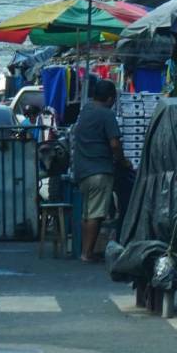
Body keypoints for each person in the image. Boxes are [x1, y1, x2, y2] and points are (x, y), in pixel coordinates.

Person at [70, 79, 132, 263]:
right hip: (99, 171)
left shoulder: (86, 111)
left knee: (88, 213)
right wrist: (124, 161)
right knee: (96, 214)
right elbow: (114, 144)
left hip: (83, 171)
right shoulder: (106, 115)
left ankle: (86, 250)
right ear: (110, 98)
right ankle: (87, 253)